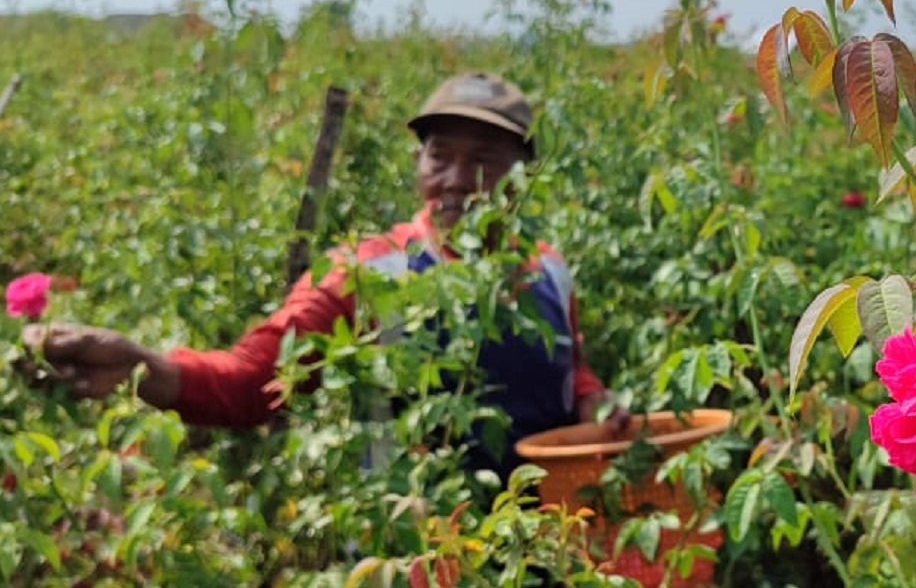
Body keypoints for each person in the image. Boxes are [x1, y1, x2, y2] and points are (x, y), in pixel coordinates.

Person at [23, 71, 628, 475]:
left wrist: (592, 400)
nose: (455, 180)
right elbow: (253, 379)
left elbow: (569, 369)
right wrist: (140, 366)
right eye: (439, 156)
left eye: (484, 161)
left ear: (524, 174)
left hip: (549, 541)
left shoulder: (548, 269)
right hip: (414, 564)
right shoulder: (367, 273)